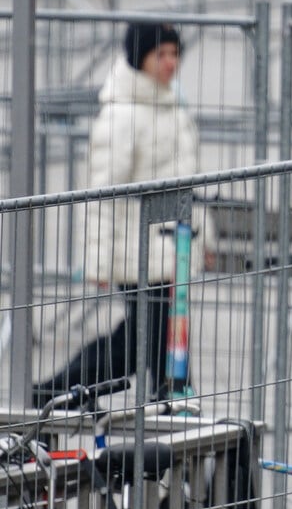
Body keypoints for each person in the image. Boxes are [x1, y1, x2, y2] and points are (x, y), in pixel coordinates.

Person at [33, 22, 215, 408]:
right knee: (144, 339)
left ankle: (171, 399)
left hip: (174, 244)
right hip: (138, 249)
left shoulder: (171, 104)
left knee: (162, 334)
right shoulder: (122, 114)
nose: (171, 63)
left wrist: (205, 236)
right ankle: (59, 390)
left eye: (175, 53)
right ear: (141, 58)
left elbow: (189, 179)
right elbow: (102, 192)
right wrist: (97, 261)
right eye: (161, 54)